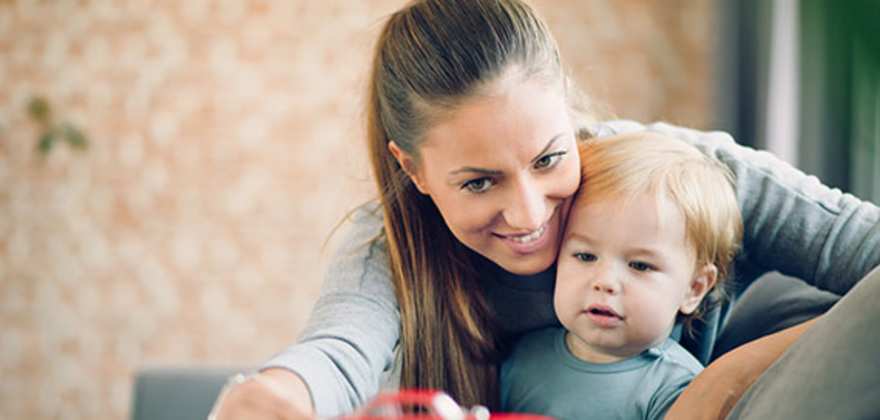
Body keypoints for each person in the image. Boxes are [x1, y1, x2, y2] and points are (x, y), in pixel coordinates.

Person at [212, 1, 880, 419]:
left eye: (548, 158)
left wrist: (726, 377)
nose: (529, 212)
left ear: (566, 107)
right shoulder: (387, 246)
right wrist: (276, 393)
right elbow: (337, 350)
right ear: (412, 168)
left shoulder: (677, 178)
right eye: (478, 183)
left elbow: (864, 248)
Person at [501, 132, 742, 420]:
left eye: (640, 265)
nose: (604, 281)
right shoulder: (521, 358)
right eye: (585, 256)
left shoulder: (679, 389)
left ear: (694, 288)